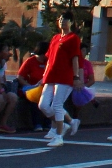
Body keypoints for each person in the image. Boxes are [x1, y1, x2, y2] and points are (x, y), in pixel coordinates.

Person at [39, 12, 83, 147]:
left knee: (57, 105)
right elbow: (49, 59)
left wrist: (76, 77)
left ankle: (59, 136)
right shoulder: (55, 38)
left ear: (71, 22)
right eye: (61, 19)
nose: (62, 21)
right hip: (51, 76)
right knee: (43, 105)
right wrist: (44, 75)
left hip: (64, 76)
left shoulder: (73, 38)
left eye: (66, 19)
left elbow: (75, 58)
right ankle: (68, 122)